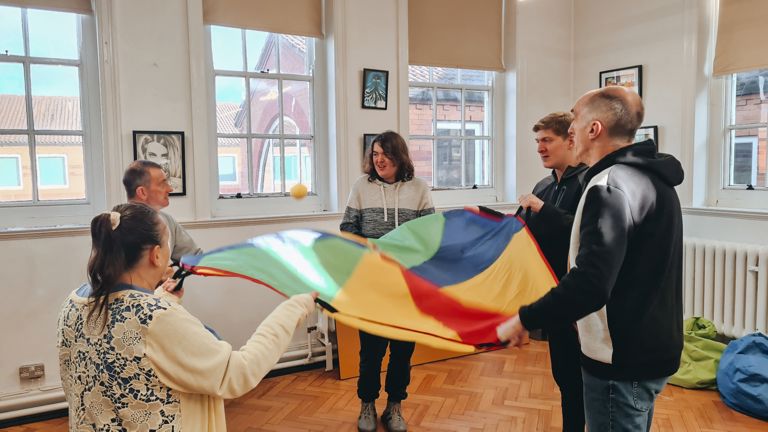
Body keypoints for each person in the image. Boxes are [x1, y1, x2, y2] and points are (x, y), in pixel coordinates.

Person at [497, 86, 684, 431]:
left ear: (594, 130)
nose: (571, 136)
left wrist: (525, 318)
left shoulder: (609, 186)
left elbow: (591, 282)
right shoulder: (655, 179)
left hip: (620, 357)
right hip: (653, 349)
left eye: (574, 127)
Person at [57, 202, 316, 430]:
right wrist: (295, 306)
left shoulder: (74, 302)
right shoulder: (157, 318)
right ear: (156, 254)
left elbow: (128, 339)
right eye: (168, 244)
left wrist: (162, 297)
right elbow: (238, 372)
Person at [340, 131, 434, 432]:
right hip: (371, 285)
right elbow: (347, 228)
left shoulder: (419, 188)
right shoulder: (361, 187)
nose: (379, 159)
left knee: (402, 352)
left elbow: (430, 234)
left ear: (399, 157)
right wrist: (366, 253)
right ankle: (367, 405)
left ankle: (395, 406)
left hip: (407, 285)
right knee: (371, 352)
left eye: (385, 154)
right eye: (375, 153)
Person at [518, 111, 587, 431]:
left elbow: (583, 232)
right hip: (555, 299)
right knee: (567, 380)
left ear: (570, 139)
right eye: (538, 141)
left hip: (585, 302)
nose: (540, 148)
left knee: (592, 384)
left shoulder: (590, 182)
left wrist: (542, 209)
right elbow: (522, 231)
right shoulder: (543, 186)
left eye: (547, 140)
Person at [123, 160, 201, 261]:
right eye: (163, 184)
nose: (170, 189)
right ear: (142, 192)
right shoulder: (120, 227)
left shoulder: (168, 221)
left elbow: (195, 258)